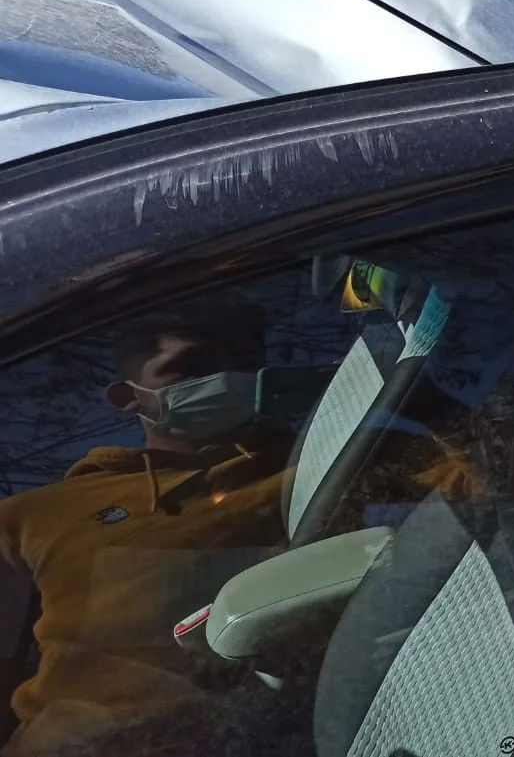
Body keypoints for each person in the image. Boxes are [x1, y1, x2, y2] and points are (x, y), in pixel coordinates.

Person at [0, 306, 294, 756]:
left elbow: (443, 483)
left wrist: (411, 396)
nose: (228, 377)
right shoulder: (36, 511)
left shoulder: (318, 464)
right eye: (193, 366)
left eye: (246, 363)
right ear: (128, 397)